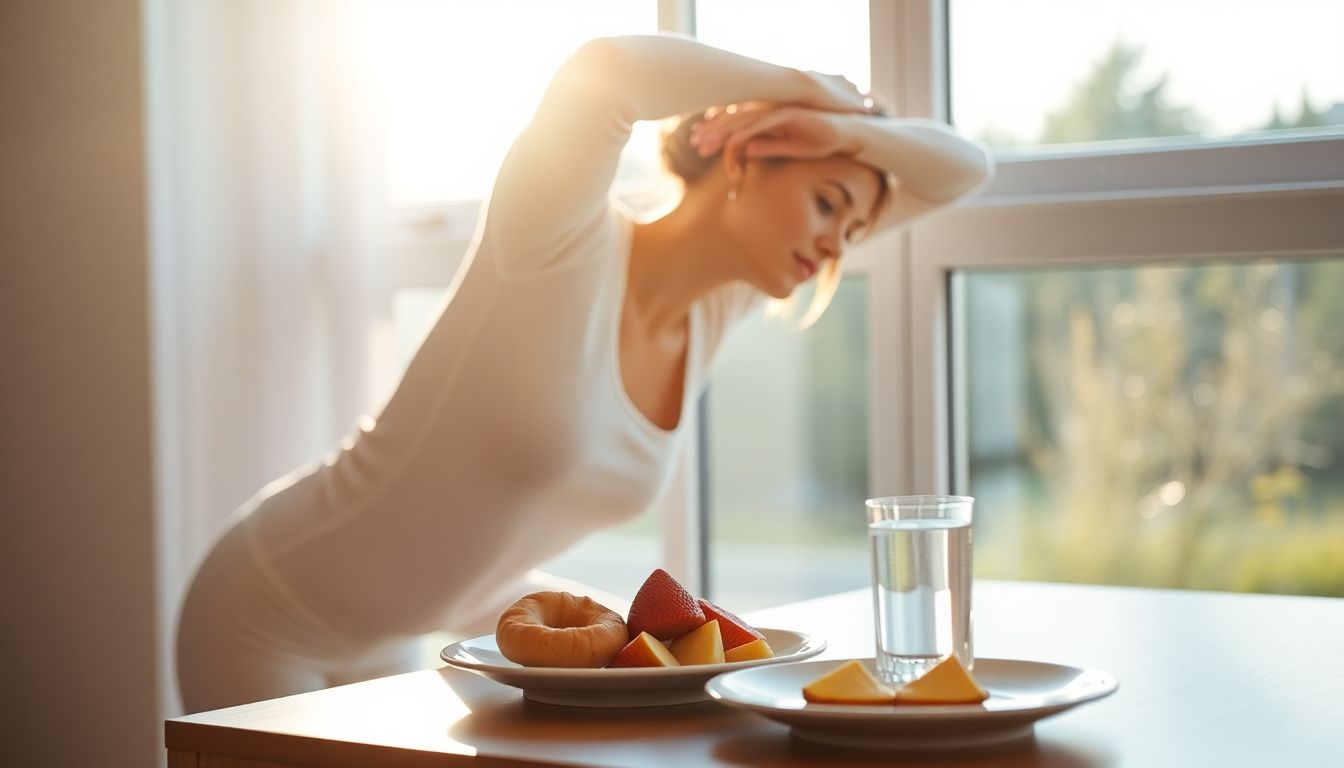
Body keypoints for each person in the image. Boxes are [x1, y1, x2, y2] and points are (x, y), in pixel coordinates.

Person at [175, 33, 992, 713]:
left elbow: (964, 171)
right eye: (825, 204)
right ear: (746, 157)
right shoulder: (559, 238)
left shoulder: (720, 306)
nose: (836, 247)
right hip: (269, 615)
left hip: (415, 626)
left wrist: (843, 138)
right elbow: (603, 74)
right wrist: (803, 91)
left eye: (853, 227)